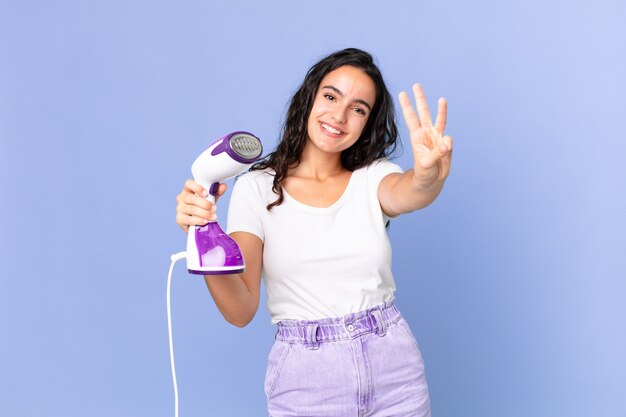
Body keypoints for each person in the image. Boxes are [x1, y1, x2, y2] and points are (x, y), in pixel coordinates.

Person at [175, 48, 452, 417]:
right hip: (307, 377)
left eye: (358, 108)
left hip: (393, 367)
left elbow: (411, 192)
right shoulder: (256, 187)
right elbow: (241, 310)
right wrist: (202, 234)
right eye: (331, 96)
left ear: (367, 123)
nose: (339, 116)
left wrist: (428, 176)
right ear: (310, 97)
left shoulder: (373, 177)